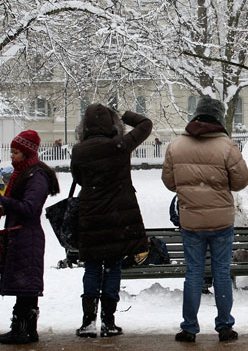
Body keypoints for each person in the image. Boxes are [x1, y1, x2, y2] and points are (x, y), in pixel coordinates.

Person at [162, 96, 248, 343]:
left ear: (196, 116)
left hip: (191, 222)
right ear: (219, 118)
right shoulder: (227, 146)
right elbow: (242, 180)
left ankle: (189, 328)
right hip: (221, 221)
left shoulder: (176, 146)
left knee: (194, 273)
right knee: (221, 272)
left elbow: (170, 182)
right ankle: (224, 326)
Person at [71, 103, 152, 338]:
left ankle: (88, 322)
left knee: (93, 267)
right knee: (114, 267)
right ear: (111, 123)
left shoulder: (80, 151)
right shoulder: (120, 145)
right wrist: (125, 115)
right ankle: (108, 321)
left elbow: (79, 178)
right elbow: (146, 125)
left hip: (91, 216)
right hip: (118, 216)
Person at [0, 130, 59, 344]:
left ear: (27, 153)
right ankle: (23, 328)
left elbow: (30, 207)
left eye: (16, 152)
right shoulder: (24, 173)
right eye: (11, 151)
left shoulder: (36, 175)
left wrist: (4, 202)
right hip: (19, 235)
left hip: (27, 236)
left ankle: (23, 330)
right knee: (23, 285)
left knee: (26, 285)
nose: (12, 156)